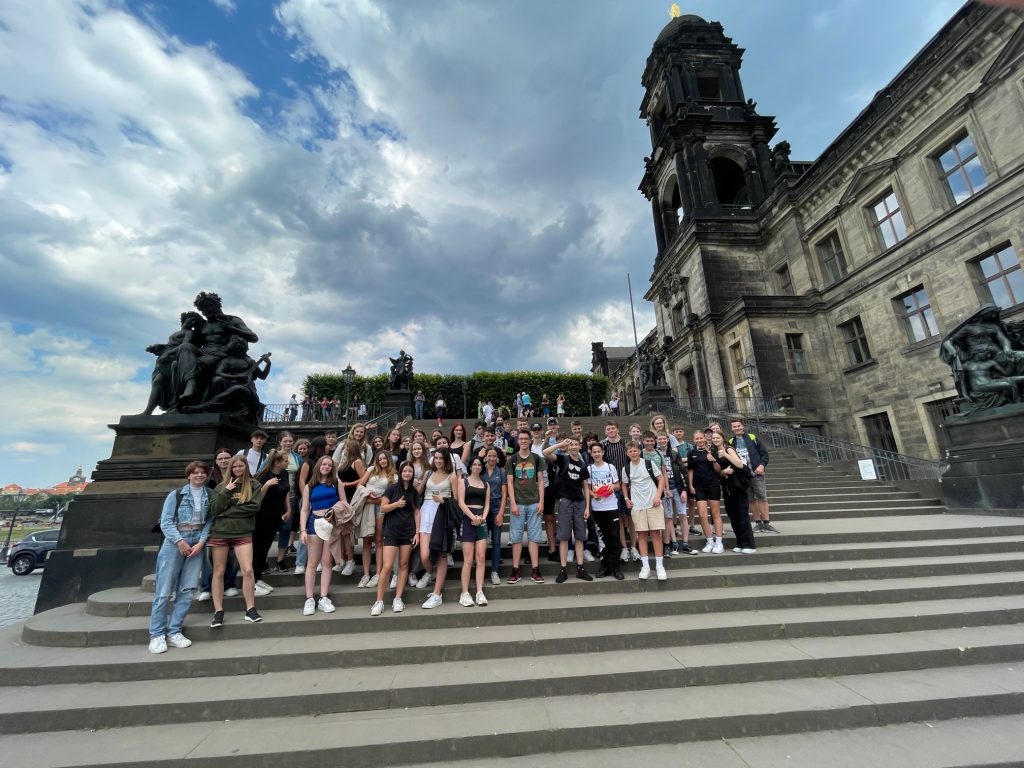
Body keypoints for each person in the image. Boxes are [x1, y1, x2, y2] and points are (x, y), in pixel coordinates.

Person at [148, 461, 212, 653]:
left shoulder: (210, 495)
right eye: (195, 473)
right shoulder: (175, 495)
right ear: (189, 475)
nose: (199, 475)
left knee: (188, 588)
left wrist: (201, 542)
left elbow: (210, 520)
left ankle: (174, 630)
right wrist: (179, 542)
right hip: (175, 541)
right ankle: (157, 634)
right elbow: (166, 522)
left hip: (197, 541)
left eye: (202, 473)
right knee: (164, 590)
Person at [209, 456, 264, 627]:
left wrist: (227, 511)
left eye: (241, 466)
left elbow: (253, 508)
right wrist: (227, 491)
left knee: (248, 570)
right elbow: (214, 509)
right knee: (219, 571)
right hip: (220, 533)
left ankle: (250, 609)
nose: (238, 469)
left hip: (243, 531)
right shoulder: (220, 487)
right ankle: (218, 611)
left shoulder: (254, 485)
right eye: (235, 467)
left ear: (246, 467)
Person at [371, 461, 420, 615]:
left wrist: (417, 532)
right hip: (391, 531)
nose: (407, 473)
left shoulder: (414, 491)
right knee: (387, 566)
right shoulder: (392, 488)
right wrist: (396, 504)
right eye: (405, 471)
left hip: (408, 532)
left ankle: (398, 598)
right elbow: (383, 508)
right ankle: (379, 601)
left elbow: (417, 512)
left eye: (410, 471)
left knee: (404, 565)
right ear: (400, 472)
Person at [543, 435, 593, 583]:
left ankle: (580, 567)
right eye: (571, 444)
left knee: (579, 536)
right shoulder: (563, 459)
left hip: (579, 502)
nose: (573, 447)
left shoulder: (583, 464)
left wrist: (587, 507)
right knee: (564, 537)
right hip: (565, 501)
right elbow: (546, 452)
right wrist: (560, 444)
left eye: (576, 444)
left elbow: (585, 486)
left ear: (579, 446)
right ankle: (563, 568)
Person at [299, 456, 343, 615]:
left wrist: (335, 512)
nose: (326, 467)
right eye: (324, 464)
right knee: (312, 562)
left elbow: (343, 504)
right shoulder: (309, 486)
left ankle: (323, 597)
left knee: (326, 562)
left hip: (331, 523)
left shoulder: (337, 483)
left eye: (329, 465)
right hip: (314, 523)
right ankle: (309, 598)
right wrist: (302, 530)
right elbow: (304, 509)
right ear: (319, 466)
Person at [622, 441, 667, 581]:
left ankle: (660, 566)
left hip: (653, 503)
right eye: (630, 451)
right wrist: (626, 498)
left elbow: (661, 479)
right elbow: (624, 484)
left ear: (639, 451)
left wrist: (658, 496)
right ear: (627, 453)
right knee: (641, 535)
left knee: (655, 534)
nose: (633, 453)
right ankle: (645, 566)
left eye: (635, 450)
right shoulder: (626, 468)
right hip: (638, 506)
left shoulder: (648, 463)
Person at [507, 428, 546, 584]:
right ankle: (515, 569)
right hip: (518, 503)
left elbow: (541, 481)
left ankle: (535, 569)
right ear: (518, 441)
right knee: (516, 538)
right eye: (521, 438)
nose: (523, 441)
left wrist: (541, 501)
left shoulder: (537, 459)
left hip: (534, 502)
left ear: (530, 441)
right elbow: (510, 482)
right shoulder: (512, 460)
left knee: (534, 537)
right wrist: (513, 502)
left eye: (526, 439)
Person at [419, 450, 458, 607]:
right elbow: (419, 491)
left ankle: (437, 593)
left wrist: (444, 500)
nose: (438, 460)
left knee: (441, 554)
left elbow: (456, 501)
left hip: (442, 513)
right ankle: (431, 573)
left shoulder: (452, 476)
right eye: (436, 458)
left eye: (441, 458)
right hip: (425, 512)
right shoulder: (428, 473)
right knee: (425, 556)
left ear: (446, 460)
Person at [710, 432, 757, 554]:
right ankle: (740, 542)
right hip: (727, 487)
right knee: (732, 515)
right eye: (713, 438)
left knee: (742, 514)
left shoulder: (729, 449)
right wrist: (723, 471)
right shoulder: (714, 452)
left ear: (722, 438)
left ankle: (749, 544)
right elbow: (718, 472)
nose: (715, 440)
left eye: (718, 437)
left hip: (738, 485)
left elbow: (739, 464)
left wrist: (725, 454)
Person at [728, 418, 776, 532]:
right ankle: (758, 523)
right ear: (732, 428)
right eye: (734, 426)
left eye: (738, 426)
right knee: (751, 499)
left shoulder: (752, 437)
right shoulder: (730, 442)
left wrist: (762, 465)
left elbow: (764, 453)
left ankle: (767, 523)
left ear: (742, 426)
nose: (737, 428)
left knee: (762, 497)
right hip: (743, 475)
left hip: (756, 472)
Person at [252, 450, 289, 596]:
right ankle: (253, 581)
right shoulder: (263, 476)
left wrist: (288, 509)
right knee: (258, 549)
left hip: (276, 516)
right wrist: (266, 485)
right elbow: (256, 498)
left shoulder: (284, 474)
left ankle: (258, 577)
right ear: (277, 462)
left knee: (266, 547)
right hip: (262, 517)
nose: (288, 462)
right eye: (285, 460)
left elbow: (285, 491)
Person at [357, 450, 396, 588]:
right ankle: (366, 574)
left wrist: (377, 500)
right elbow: (360, 485)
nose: (382, 461)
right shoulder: (372, 470)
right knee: (366, 540)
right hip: (367, 506)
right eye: (380, 459)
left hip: (380, 507)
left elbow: (391, 496)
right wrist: (368, 495)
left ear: (389, 459)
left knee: (379, 540)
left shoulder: (394, 476)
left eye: (385, 458)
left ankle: (378, 573)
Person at [586, 441, 624, 580]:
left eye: (599, 451)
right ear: (591, 453)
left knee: (614, 537)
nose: (596, 454)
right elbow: (588, 488)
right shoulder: (589, 469)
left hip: (611, 506)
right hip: (597, 508)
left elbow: (618, 485)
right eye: (594, 452)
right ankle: (605, 566)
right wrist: (592, 494)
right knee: (603, 539)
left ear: (603, 452)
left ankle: (616, 567)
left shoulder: (610, 467)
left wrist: (612, 487)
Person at [457, 456, 491, 607]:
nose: (477, 466)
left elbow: (487, 504)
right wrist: (473, 517)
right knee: (468, 559)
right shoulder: (463, 482)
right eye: (474, 464)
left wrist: (482, 518)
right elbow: (461, 502)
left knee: (481, 557)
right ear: (470, 466)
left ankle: (479, 591)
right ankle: (464, 593)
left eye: (479, 464)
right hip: (468, 520)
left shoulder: (486, 484)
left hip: (481, 521)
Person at [688, 431, 724, 554]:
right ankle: (709, 541)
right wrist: (690, 485)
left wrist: (713, 460)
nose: (699, 440)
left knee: (715, 513)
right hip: (699, 487)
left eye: (701, 438)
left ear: (704, 438)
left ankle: (719, 542)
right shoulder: (691, 453)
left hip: (713, 484)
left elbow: (719, 470)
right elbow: (691, 470)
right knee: (702, 514)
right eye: (696, 438)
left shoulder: (712, 451)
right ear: (694, 440)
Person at [481, 446, 507, 585]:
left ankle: (494, 571)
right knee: (482, 541)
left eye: (494, 456)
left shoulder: (501, 471)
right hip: (483, 507)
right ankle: (481, 568)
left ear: (497, 457)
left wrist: (501, 513)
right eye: (489, 456)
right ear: (485, 457)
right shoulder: (480, 470)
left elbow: (504, 494)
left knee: (496, 541)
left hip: (497, 506)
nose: (491, 458)